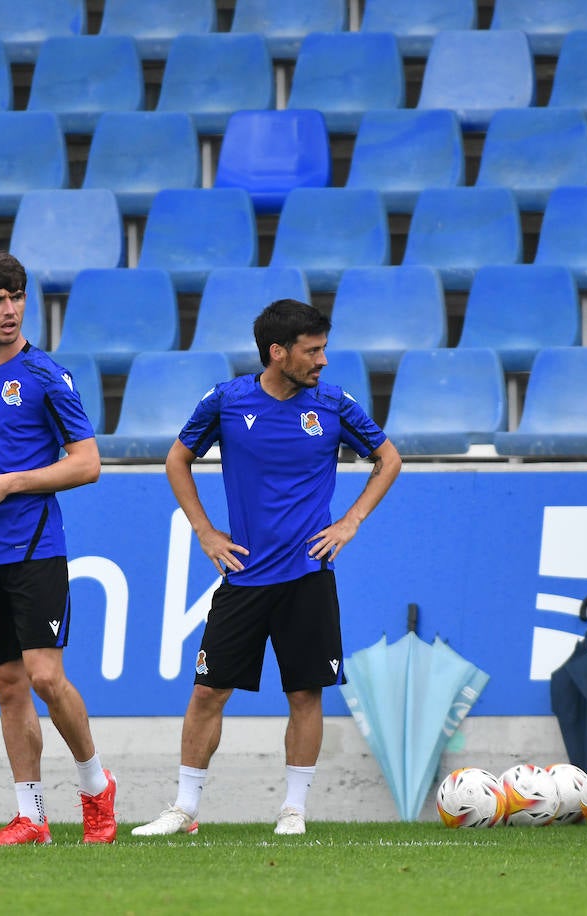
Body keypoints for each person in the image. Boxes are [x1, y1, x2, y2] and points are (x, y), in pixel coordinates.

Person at [133, 298, 401, 837]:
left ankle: (293, 809)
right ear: (277, 353)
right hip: (246, 577)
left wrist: (349, 522)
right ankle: (185, 808)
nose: (323, 360)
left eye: (324, 348)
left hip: (307, 576)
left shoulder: (333, 404)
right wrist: (206, 532)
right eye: (313, 350)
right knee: (208, 692)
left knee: (305, 693)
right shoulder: (226, 401)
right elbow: (176, 458)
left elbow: (388, 458)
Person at [0, 251, 117, 845]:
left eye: (16, 297)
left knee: (44, 677)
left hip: (35, 546)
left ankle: (95, 788)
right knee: (6, 683)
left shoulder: (45, 375)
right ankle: (30, 817)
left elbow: (87, 464)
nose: (9, 310)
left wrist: (8, 483)